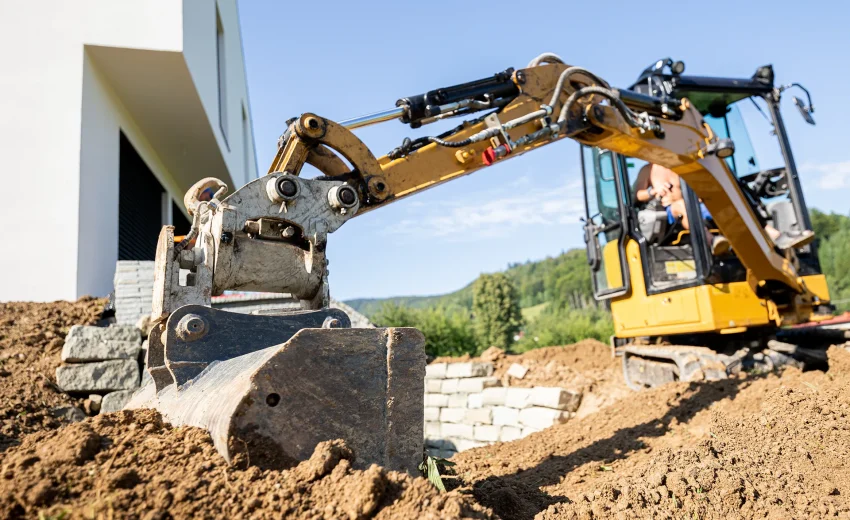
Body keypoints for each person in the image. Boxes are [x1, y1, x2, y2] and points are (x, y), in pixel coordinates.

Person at [633, 163, 730, 255]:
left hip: (689, 203)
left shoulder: (679, 166)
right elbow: (638, 195)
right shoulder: (647, 170)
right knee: (681, 206)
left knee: (719, 205)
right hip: (668, 208)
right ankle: (711, 241)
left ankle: (733, 242)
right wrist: (653, 191)